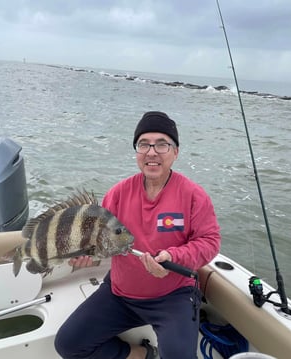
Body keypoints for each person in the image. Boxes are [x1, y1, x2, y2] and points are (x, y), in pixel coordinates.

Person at [54, 111, 221, 359]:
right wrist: (88, 256)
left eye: (162, 144)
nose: (152, 152)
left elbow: (210, 242)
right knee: (68, 345)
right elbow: (99, 241)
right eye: (144, 144)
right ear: (137, 152)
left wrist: (174, 257)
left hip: (172, 297)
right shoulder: (118, 193)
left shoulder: (194, 195)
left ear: (175, 152)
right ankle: (142, 354)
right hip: (119, 293)